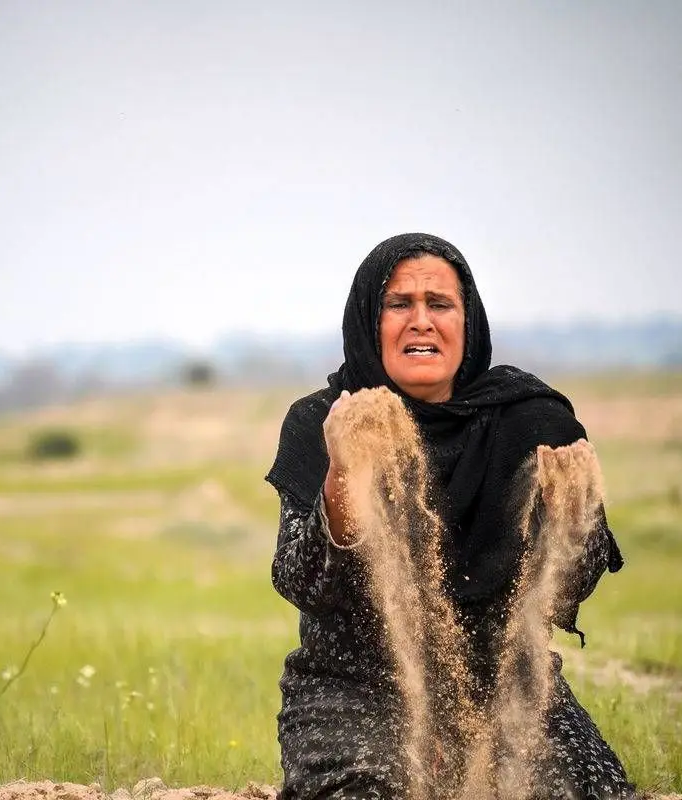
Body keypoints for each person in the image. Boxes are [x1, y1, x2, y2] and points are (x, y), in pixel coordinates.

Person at [265, 233, 633, 799]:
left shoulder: (529, 421)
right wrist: (341, 477)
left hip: (506, 689)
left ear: (469, 322)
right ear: (369, 318)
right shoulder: (325, 421)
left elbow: (564, 593)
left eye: (439, 304)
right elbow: (300, 579)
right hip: (355, 692)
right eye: (399, 304)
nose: (421, 321)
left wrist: (572, 522)